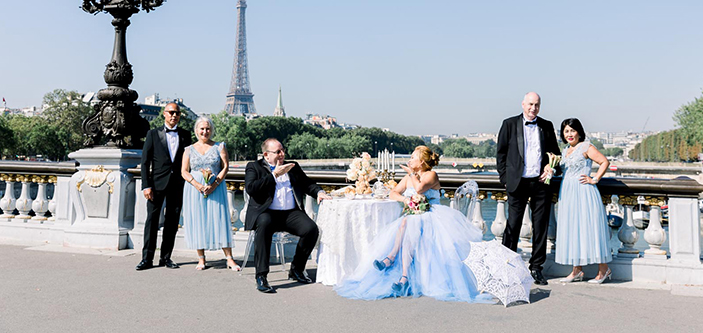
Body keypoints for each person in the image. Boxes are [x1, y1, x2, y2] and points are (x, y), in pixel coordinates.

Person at [334, 146, 496, 303]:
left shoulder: (431, 175)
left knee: (407, 222)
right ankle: (402, 273)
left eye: (413, 158)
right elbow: (393, 192)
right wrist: (405, 199)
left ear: (422, 162)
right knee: (407, 221)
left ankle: (393, 261)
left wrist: (411, 175)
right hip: (413, 217)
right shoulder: (408, 178)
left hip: (432, 215)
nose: (410, 160)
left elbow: (419, 190)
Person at [244, 138, 331, 293]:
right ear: (266, 155)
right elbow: (251, 189)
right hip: (267, 213)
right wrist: (273, 175)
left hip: (291, 213)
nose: (282, 154)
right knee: (263, 225)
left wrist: (319, 192)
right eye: (278, 152)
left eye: (283, 150)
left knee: (311, 229)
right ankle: (261, 276)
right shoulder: (254, 167)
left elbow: (306, 183)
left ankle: (297, 269)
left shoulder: (293, 166)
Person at [496, 91, 561, 285]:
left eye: (537, 105)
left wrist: (551, 167)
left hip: (541, 183)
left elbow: (555, 153)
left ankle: (536, 268)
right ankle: (506, 265)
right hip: (517, 182)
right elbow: (501, 154)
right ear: (523, 104)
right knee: (512, 226)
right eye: (530, 104)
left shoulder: (547, 126)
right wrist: (505, 180)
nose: (533, 108)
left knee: (540, 227)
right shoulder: (509, 124)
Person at [555, 118, 612, 283]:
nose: (570, 134)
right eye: (566, 131)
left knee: (589, 228)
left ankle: (604, 270)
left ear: (579, 132)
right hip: (568, 193)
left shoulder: (586, 147)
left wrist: (594, 179)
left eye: (572, 130)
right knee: (573, 228)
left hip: (584, 192)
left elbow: (604, 162)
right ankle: (577, 270)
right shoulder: (565, 150)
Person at [137, 102, 192, 271]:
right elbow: (145, 162)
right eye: (170, 112)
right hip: (156, 185)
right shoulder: (153, 134)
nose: (173, 115)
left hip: (177, 185)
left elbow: (190, 161)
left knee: (172, 222)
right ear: (164, 114)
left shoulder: (185, 135)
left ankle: (166, 257)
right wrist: (146, 185)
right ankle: (146, 258)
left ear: (179, 115)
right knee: (151, 222)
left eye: (176, 113)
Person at [181, 116, 240, 271]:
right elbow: (184, 171)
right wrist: (197, 185)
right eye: (202, 128)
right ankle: (201, 258)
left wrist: (214, 184)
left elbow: (225, 167)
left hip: (216, 188)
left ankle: (229, 258)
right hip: (195, 190)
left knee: (220, 220)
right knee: (198, 220)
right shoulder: (188, 149)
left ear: (211, 130)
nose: (205, 131)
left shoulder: (220, 146)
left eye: (207, 129)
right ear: (196, 130)